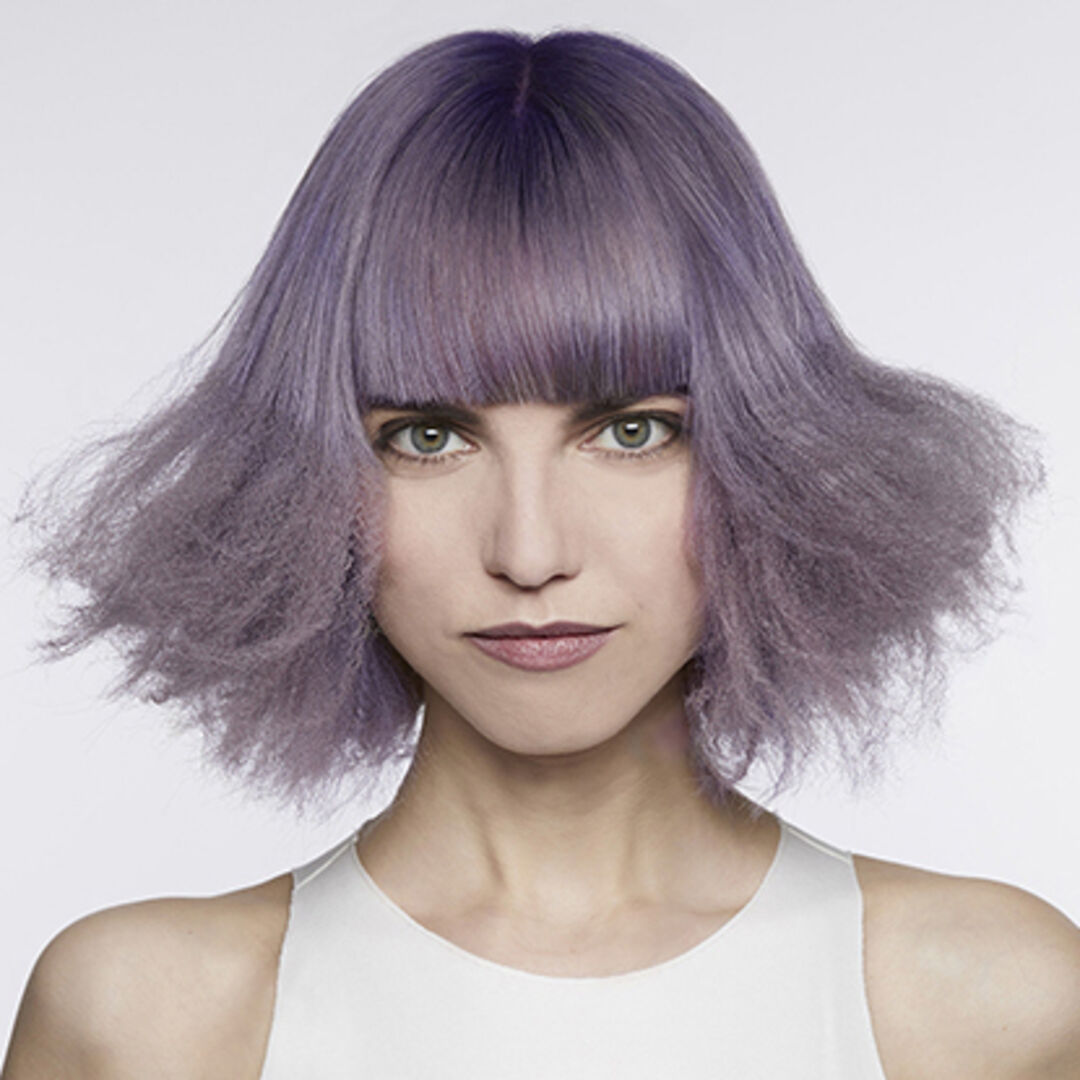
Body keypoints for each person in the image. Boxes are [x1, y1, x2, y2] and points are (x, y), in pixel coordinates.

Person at [3, 27, 1078, 1080]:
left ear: (770, 457)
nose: (529, 551)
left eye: (632, 431)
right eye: (428, 437)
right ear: (305, 485)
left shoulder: (989, 1008)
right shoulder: (148, 1023)